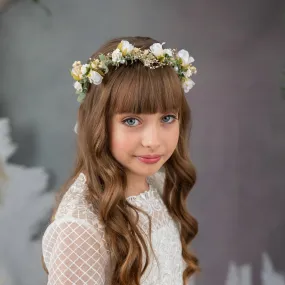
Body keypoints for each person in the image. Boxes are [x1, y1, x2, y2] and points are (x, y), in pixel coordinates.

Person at [41, 36, 200, 285]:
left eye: (167, 118)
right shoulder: (81, 227)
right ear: (98, 123)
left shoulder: (156, 183)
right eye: (131, 121)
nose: (153, 140)